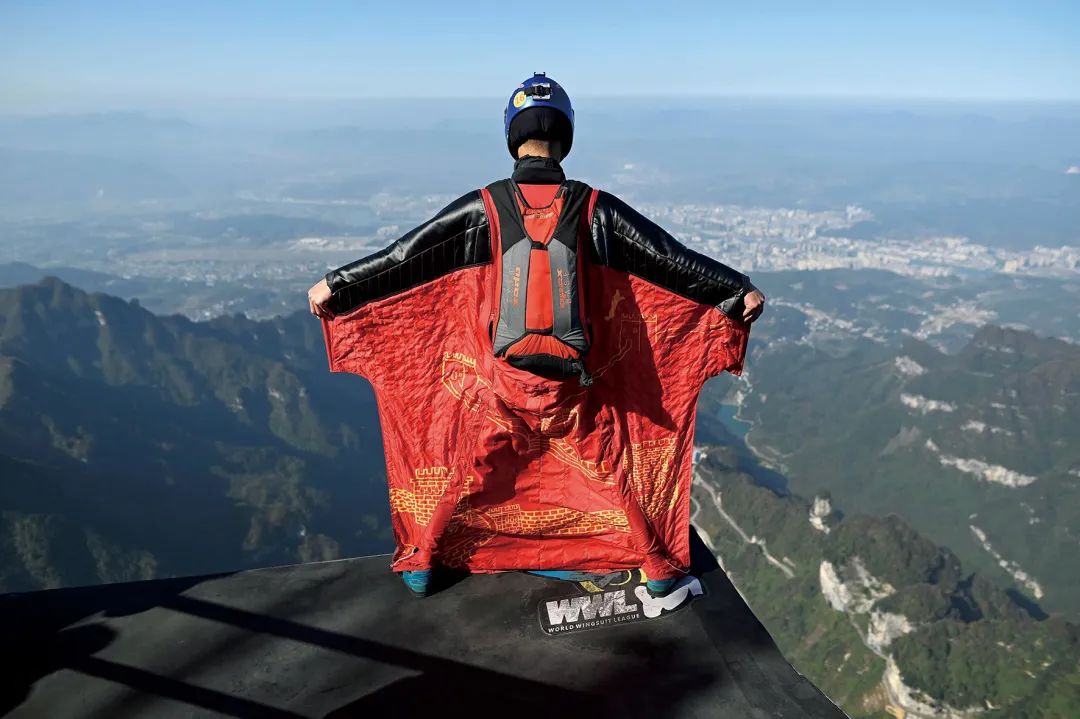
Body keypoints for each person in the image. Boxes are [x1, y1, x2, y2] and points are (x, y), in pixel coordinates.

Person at [309, 73, 764, 598]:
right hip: (573, 380)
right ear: (565, 137)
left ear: (511, 135)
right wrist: (737, 293)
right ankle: (659, 572)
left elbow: (404, 259)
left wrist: (336, 287)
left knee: (470, 466)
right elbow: (672, 261)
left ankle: (422, 565)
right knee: (608, 467)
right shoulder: (594, 208)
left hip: (502, 378)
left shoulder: (486, 206)